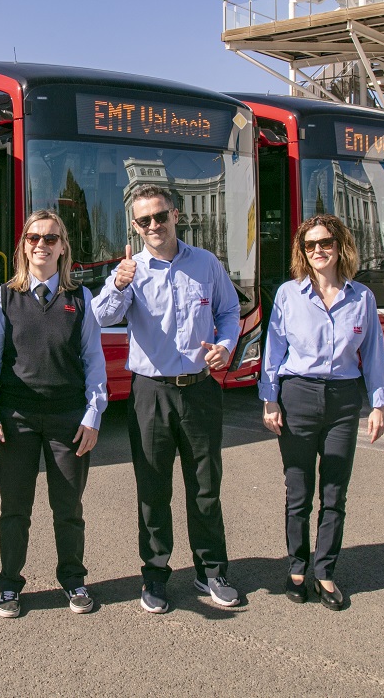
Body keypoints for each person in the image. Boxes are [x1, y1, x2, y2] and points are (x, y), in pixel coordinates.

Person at [92, 184, 241, 613]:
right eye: (145, 220)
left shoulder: (206, 263)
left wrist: (225, 345)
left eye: (160, 216)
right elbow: (101, 316)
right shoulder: (130, 270)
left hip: (200, 390)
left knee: (206, 488)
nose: (154, 225)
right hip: (150, 393)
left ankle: (211, 571)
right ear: (135, 226)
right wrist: (118, 284)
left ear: (175, 215)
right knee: (153, 489)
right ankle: (155, 575)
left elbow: (229, 311)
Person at [0, 210, 108, 619]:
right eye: (34, 238)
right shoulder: (4, 297)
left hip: (68, 419)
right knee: (14, 509)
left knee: (68, 509)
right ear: (24, 245)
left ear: (63, 247)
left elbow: (93, 360)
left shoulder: (81, 298)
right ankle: (9, 585)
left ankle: (73, 580)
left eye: (51, 239)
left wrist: (93, 414)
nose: (42, 245)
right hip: (16, 419)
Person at [258, 213, 384, 612]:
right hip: (297, 396)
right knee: (298, 491)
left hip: (343, 400)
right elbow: (273, 350)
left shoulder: (361, 298)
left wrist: (379, 404)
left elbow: (374, 353)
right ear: (302, 251)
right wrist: (270, 399)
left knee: (334, 492)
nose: (318, 250)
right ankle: (297, 568)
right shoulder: (288, 294)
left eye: (325, 243)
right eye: (310, 244)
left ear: (340, 246)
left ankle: (325, 571)